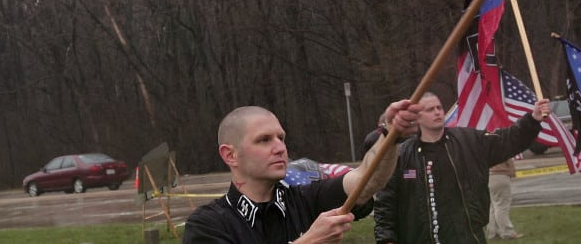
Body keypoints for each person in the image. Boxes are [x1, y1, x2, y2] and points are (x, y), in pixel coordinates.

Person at [183, 100, 421, 243]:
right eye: (264, 140)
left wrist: (391, 135)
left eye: (281, 138)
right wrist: (308, 242)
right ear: (230, 155)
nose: (280, 148)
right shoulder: (207, 225)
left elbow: (366, 181)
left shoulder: (306, 199)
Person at [374, 91, 549, 244]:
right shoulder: (401, 156)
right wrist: (386, 239)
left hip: (466, 237)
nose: (437, 112)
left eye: (439, 108)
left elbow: (508, 140)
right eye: (430, 109)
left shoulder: (469, 141)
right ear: (417, 117)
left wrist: (532, 120)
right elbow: (385, 204)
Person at [486, 158, 522, 240]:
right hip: (501, 175)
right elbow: (508, 159)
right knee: (502, 206)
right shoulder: (501, 146)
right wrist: (512, 172)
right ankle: (507, 233)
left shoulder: (484, 146)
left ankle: (493, 233)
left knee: (492, 207)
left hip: (489, 176)